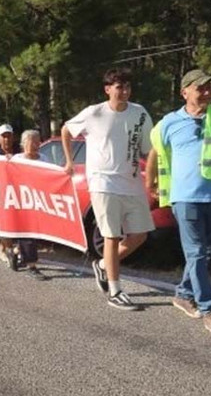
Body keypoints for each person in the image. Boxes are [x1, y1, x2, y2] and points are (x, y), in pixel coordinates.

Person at [146, 68, 211, 333]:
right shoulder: (169, 122)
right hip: (184, 197)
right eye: (200, 88)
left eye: (209, 87)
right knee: (195, 251)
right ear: (185, 92)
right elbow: (155, 155)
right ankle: (208, 309)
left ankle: (182, 293)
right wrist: (151, 185)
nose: (206, 92)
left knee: (206, 250)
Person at [61, 68, 154, 311]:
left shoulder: (140, 113)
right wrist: (70, 161)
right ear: (107, 89)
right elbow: (66, 130)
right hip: (103, 183)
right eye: (119, 87)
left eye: (127, 87)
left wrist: (156, 173)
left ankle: (102, 266)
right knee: (111, 236)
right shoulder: (94, 113)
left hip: (132, 183)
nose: (124, 91)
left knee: (140, 235)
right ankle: (115, 290)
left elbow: (149, 148)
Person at [8, 130, 51, 281]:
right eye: (32, 141)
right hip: (22, 203)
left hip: (39, 203)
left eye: (38, 141)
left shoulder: (44, 159)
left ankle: (15, 251)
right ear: (23, 143)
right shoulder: (17, 159)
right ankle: (31, 266)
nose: (35, 145)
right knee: (28, 234)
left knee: (36, 234)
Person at [0, 124, 20, 263]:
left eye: (9, 136)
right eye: (4, 136)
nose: (6, 139)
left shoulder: (20, 152)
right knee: (5, 223)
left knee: (16, 223)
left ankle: (2, 250)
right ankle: (8, 251)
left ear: (13, 137)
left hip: (16, 194)